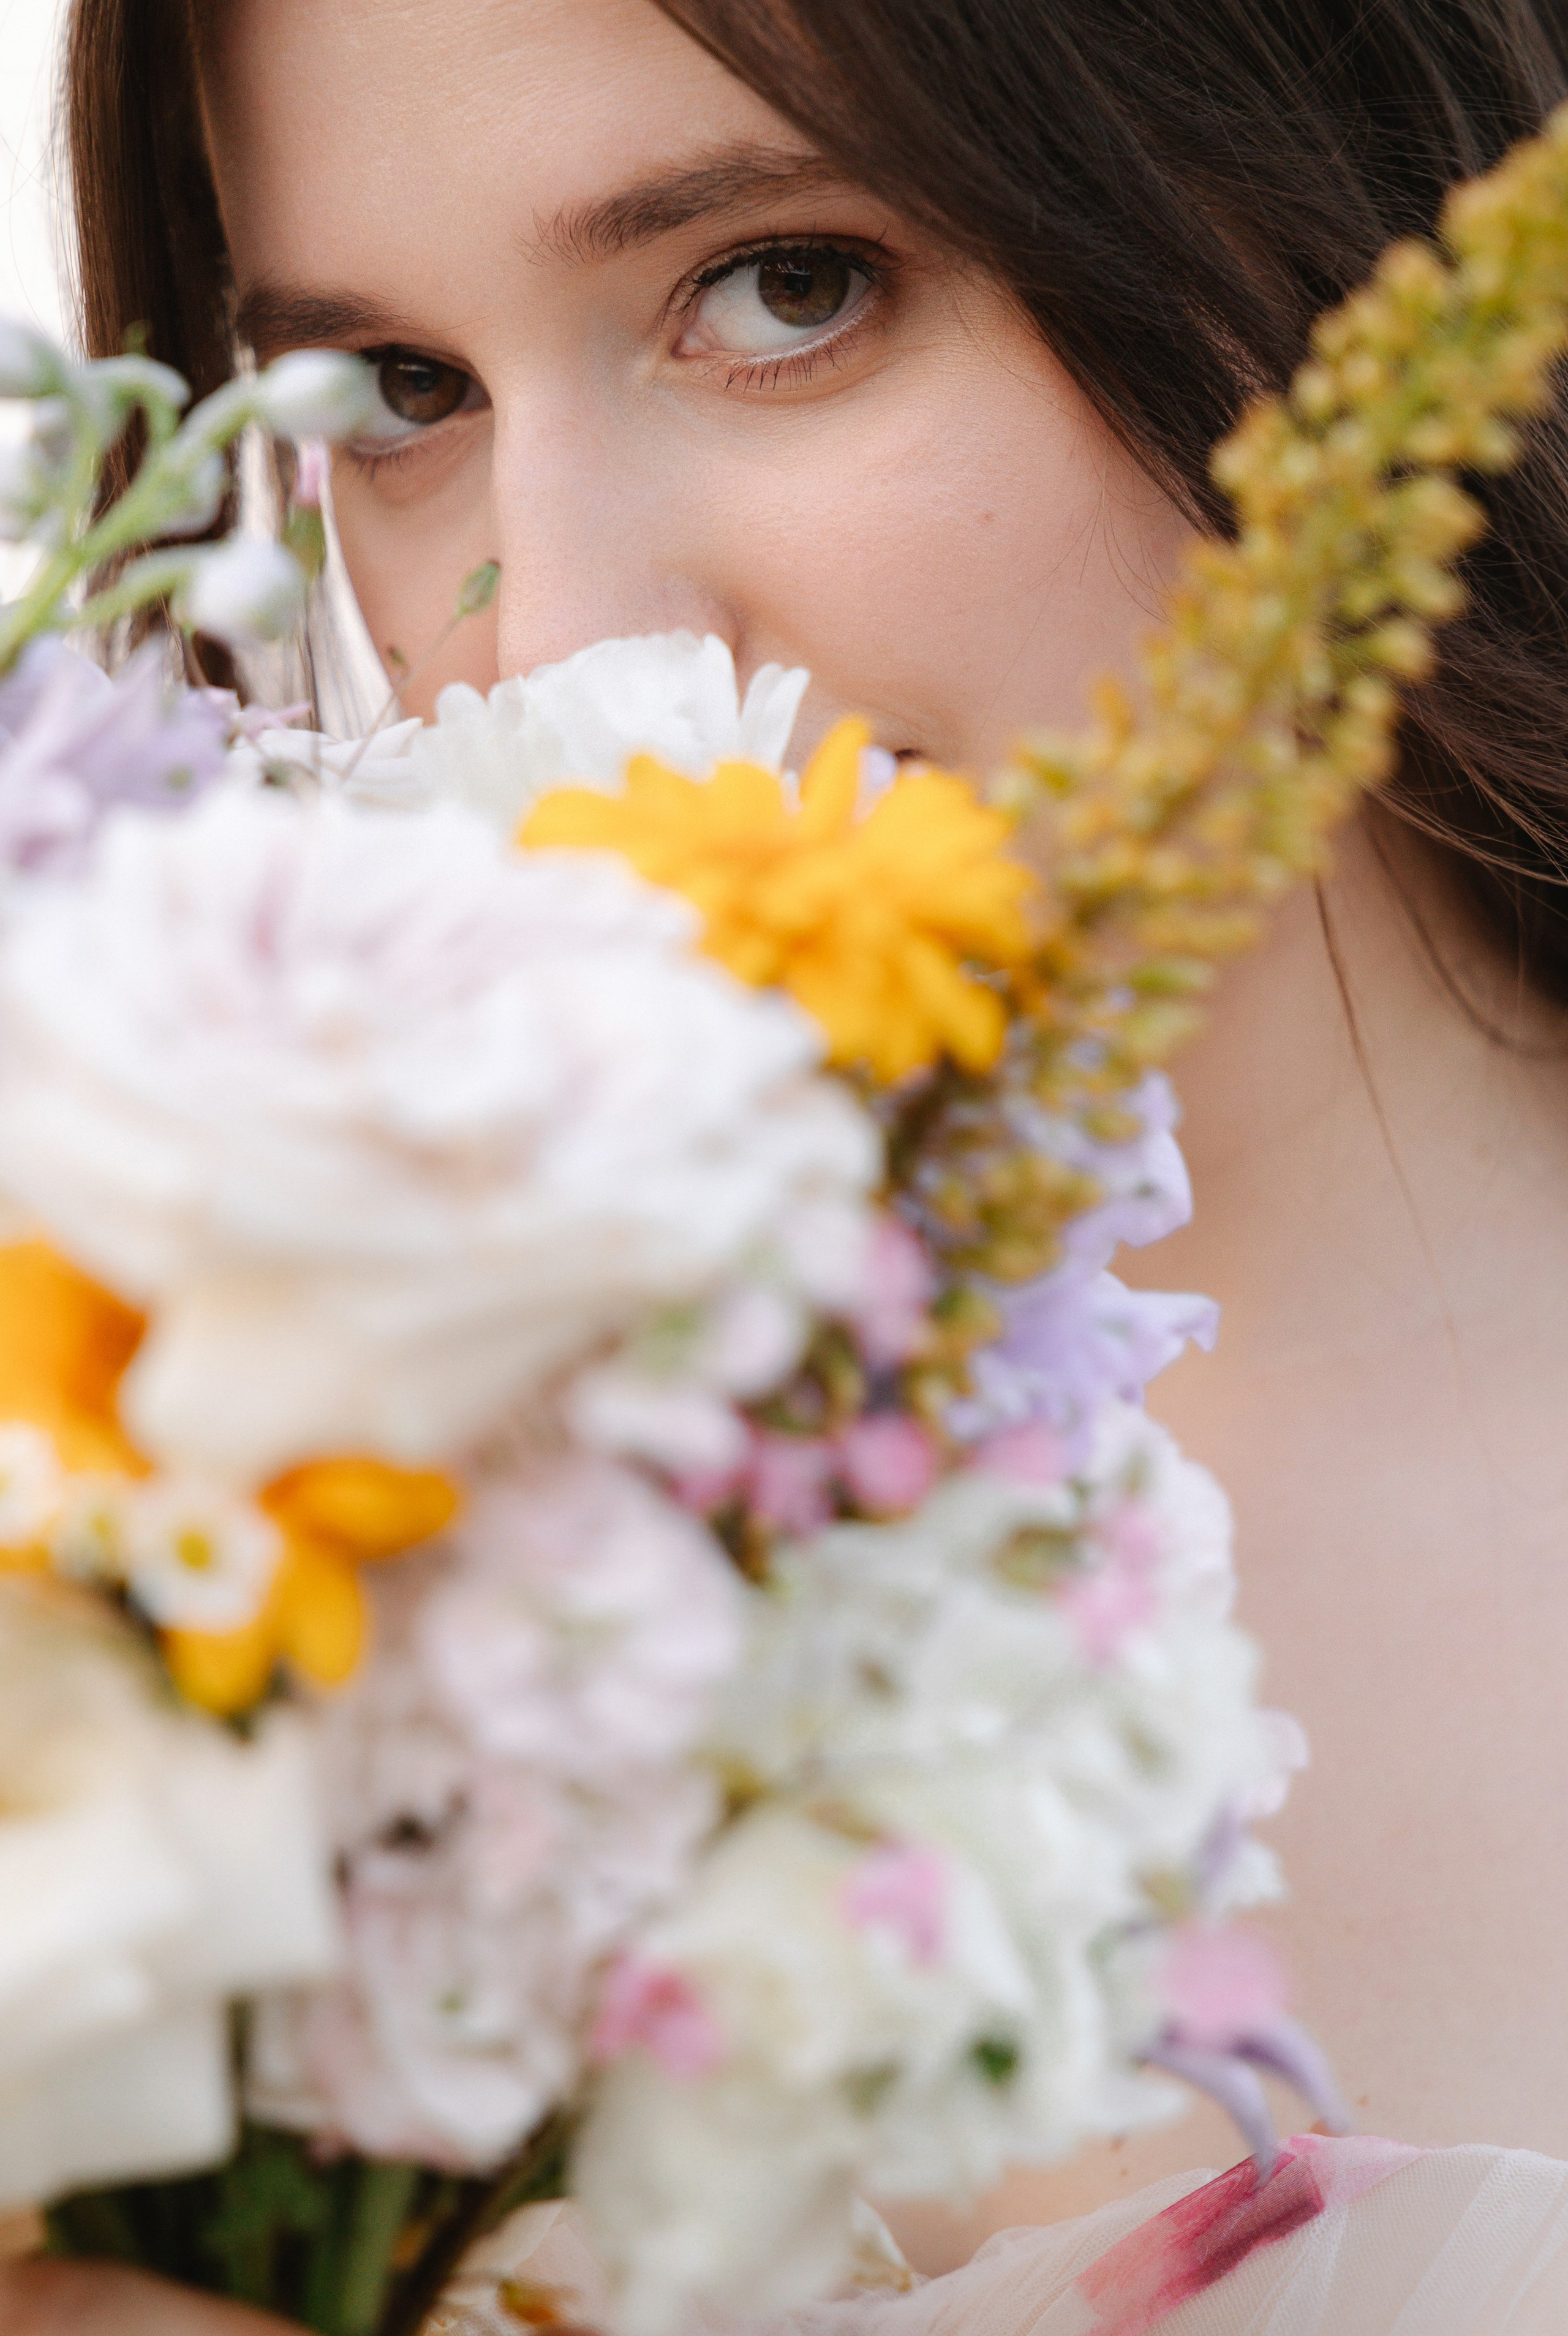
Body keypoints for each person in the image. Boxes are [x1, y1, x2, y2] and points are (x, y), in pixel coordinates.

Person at [6, 0, 1568, 2326]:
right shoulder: (187, 1477)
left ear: (1334, 184)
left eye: (786, 288)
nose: (562, 639)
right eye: (405, 396)